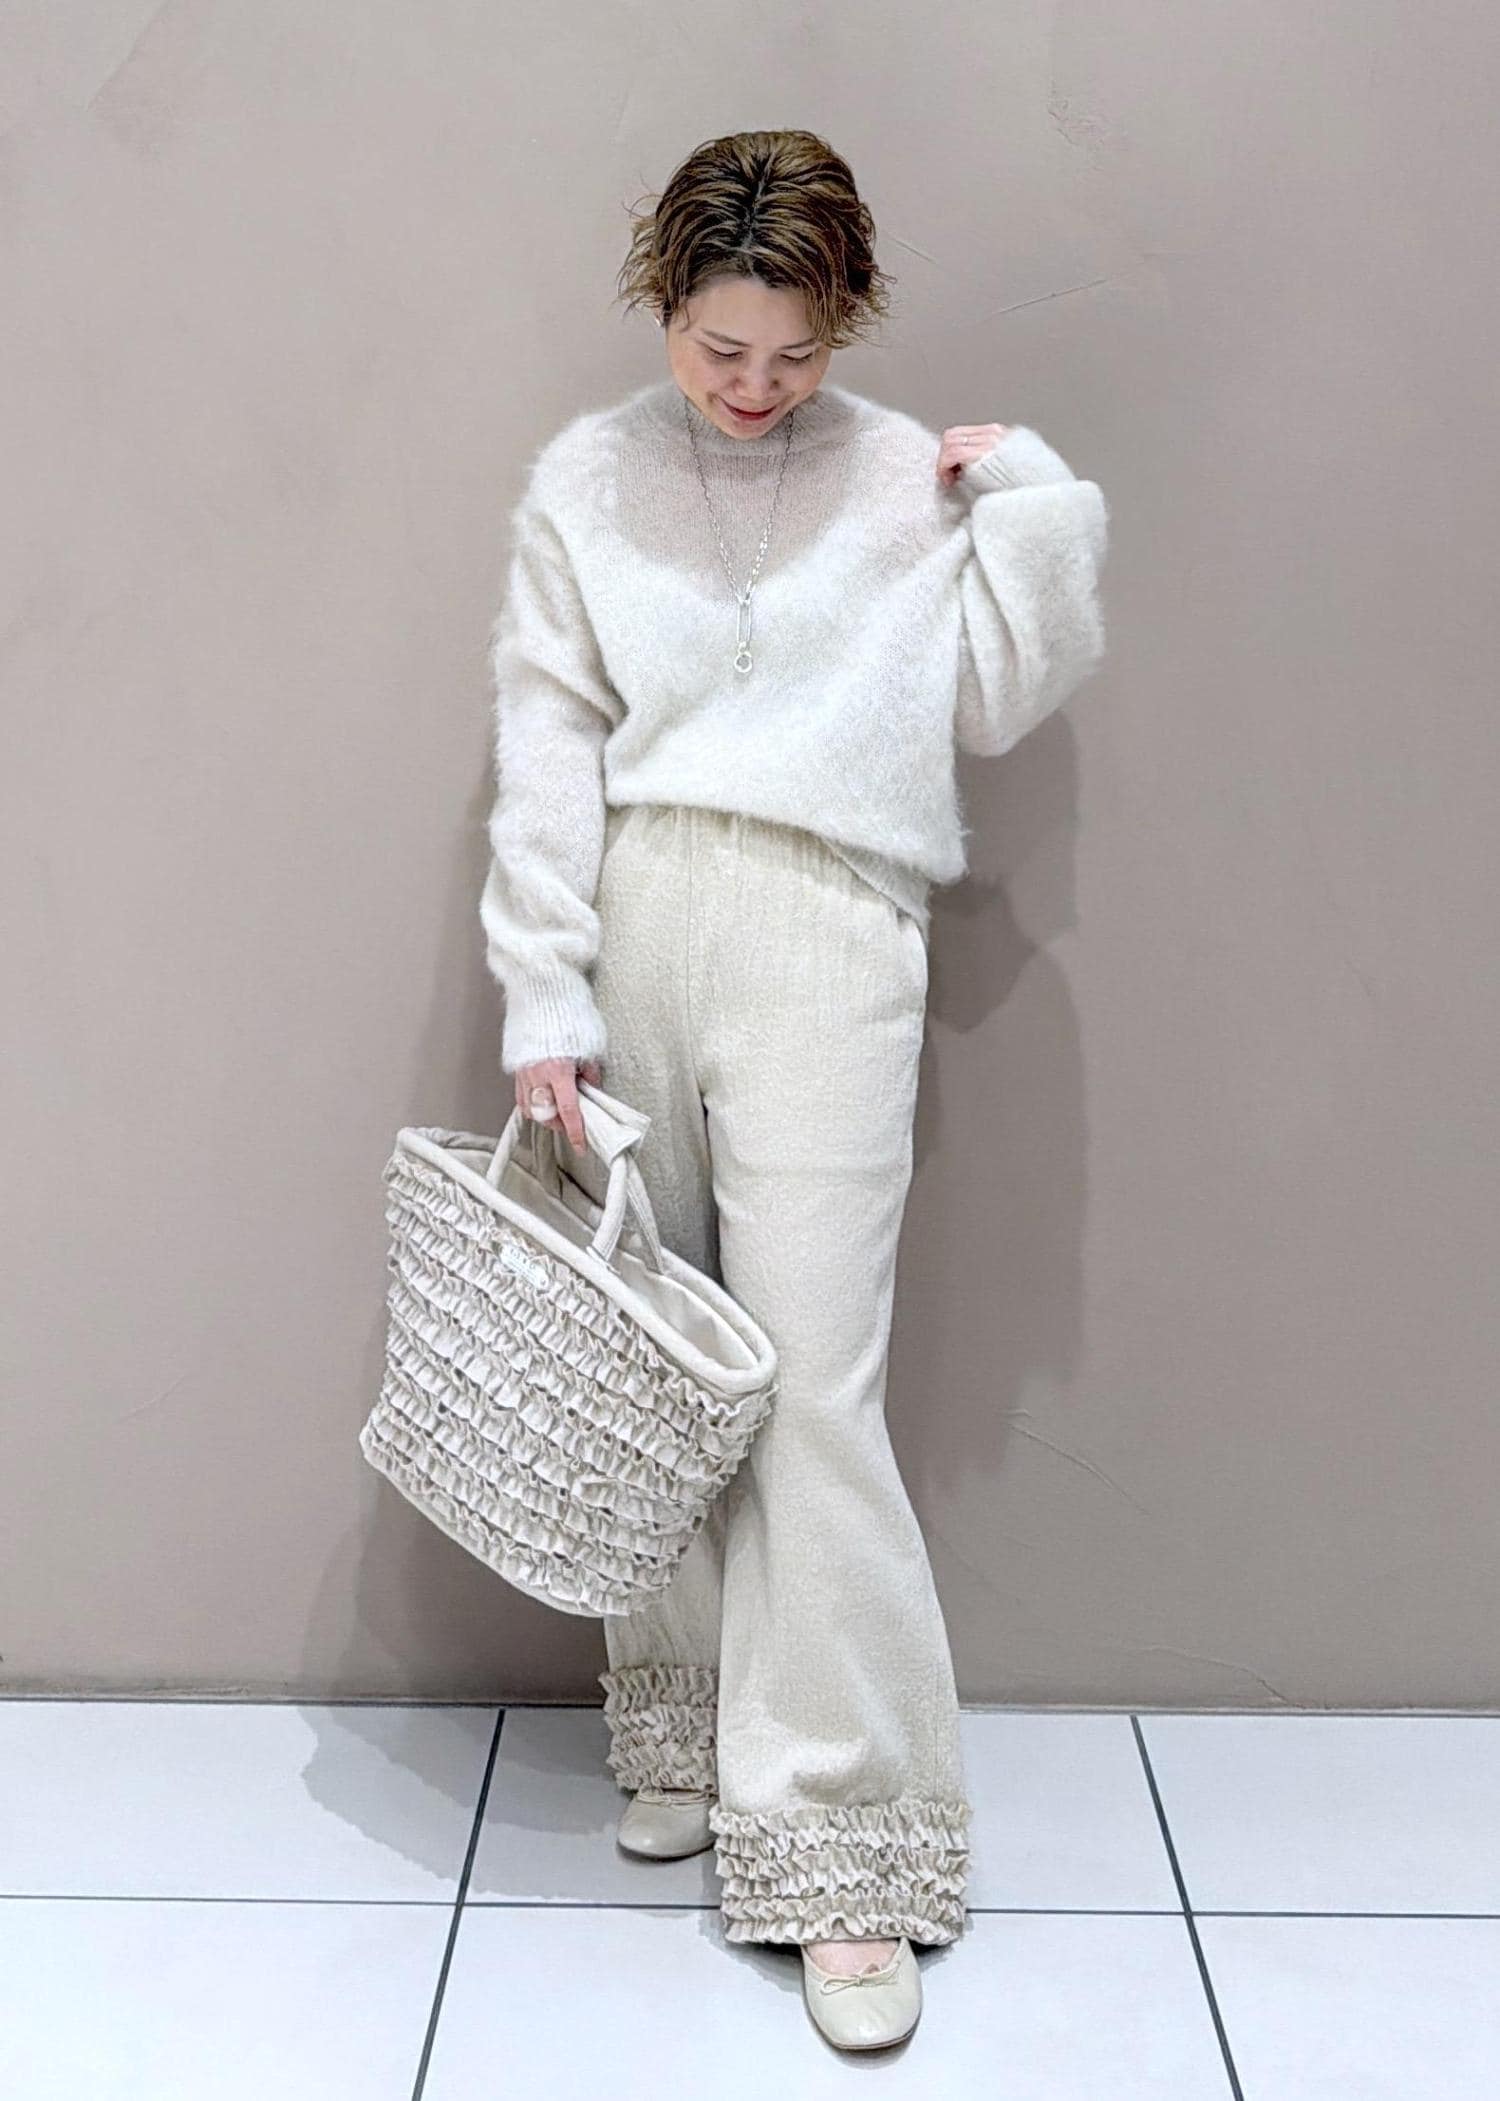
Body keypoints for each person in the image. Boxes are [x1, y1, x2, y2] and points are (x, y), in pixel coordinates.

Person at [479, 127, 1109, 2052]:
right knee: (649, 1357)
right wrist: (543, 989)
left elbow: (1001, 690)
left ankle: (845, 1848)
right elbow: (547, 729)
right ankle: (681, 1730)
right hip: (640, 913)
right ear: (662, 300)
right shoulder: (587, 478)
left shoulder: (898, 475)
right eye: (718, 346)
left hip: (832, 930)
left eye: (794, 351)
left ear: (848, 318)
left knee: (810, 1386)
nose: (753, 385)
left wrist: (1031, 502)